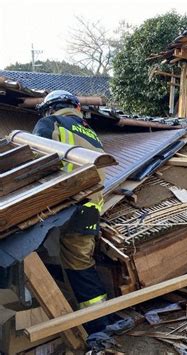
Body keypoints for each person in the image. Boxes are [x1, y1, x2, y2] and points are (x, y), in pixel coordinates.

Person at [33, 90, 109, 334]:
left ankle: (99, 324)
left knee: (69, 264)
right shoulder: (91, 133)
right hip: (91, 206)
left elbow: (34, 159)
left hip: (65, 203)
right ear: (76, 107)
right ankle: (103, 317)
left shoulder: (49, 123)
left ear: (50, 108)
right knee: (81, 263)